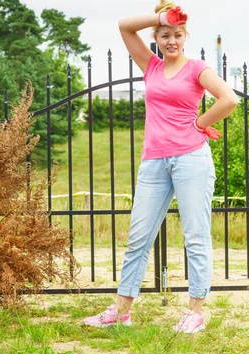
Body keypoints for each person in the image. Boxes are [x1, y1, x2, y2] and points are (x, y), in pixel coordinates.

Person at [83, 1, 238, 333]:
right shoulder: (150, 65)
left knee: (196, 235)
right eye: (165, 35)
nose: (172, 41)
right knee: (138, 237)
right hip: (154, 162)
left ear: (185, 37)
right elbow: (125, 25)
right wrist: (161, 16)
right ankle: (121, 312)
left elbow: (229, 99)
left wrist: (199, 122)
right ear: (156, 37)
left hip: (191, 160)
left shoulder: (197, 68)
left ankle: (195, 313)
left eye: (177, 35)